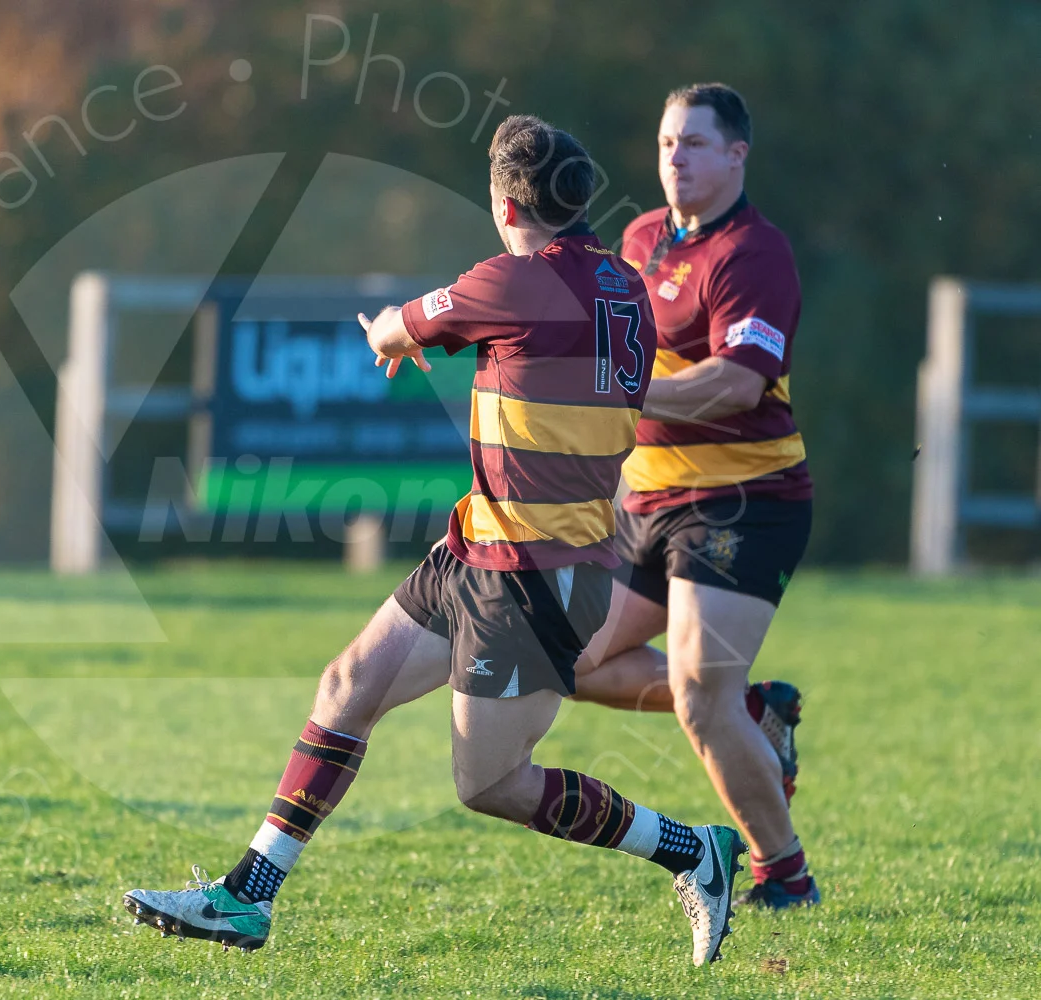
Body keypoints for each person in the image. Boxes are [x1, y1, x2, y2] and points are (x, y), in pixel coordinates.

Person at [123, 115, 747, 967]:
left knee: (490, 784)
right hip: (482, 541)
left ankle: (691, 850)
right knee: (348, 682)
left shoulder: (516, 281)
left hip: (539, 572)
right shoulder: (623, 282)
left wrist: (390, 329)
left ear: (503, 203)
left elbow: (394, 330)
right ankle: (247, 898)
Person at [570, 83, 819, 909]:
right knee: (568, 658)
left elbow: (738, 384)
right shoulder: (642, 237)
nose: (676, 156)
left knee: (697, 697)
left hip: (743, 499)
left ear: (737, 155)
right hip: (648, 499)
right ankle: (756, 714)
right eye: (668, 141)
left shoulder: (754, 253)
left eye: (696, 143)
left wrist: (625, 392)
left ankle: (784, 875)